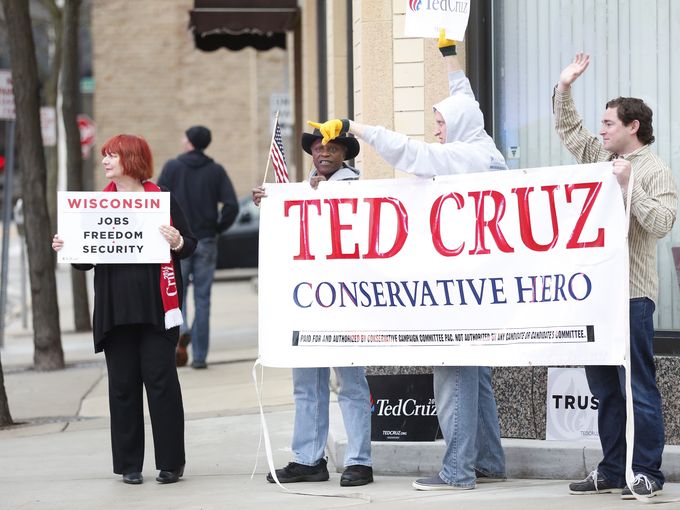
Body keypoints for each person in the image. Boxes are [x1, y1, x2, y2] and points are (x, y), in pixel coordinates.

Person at [309, 31, 507, 490]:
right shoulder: (481, 139)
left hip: (462, 285)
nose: (436, 127)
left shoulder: (465, 154)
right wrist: (448, 53)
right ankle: (489, 463)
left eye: (439, 122)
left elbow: (410, 152)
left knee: (453, 375)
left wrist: (355, 127)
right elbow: (465, 96)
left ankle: (457, 471)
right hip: (483, 282)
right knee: (476, 376)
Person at [554, 53, 677, 500]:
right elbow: (570, 131)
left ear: (633, 128)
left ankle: (646, 472)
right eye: (603, 123)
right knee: (604, 389)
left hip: (632, 296)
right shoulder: (598, 158)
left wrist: (630, 187)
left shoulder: (653, 169)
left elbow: (663, 223)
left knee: (638, 388)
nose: (601, 130)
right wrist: (564, 87)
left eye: (608, 123)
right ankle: (610, 469)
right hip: (596, 297)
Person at [52, 134, 197, 485]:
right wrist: (68, 247)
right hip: (115, 311)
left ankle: (170, 462)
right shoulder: (96, 205)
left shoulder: (161, 200)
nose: (105, 161)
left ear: (131, 159)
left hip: (157, 308)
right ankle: (129, 465)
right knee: (122, 386)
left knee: (161, 382)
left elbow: (189, 244)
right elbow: (85, 263)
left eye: (111, 155)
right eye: (104, 156)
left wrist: (176, 240)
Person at [252, 130, 374, 487]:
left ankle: (359, 461)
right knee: (306, 384)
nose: (324, 153)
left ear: (343, 154)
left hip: (346, 300)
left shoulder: (357, 187)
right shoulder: (301, 190)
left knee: (350, 382)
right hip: (305, 301)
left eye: (332, 148)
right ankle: (308, 459)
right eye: (319, 148)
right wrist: (272, 204)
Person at [157, 126, 238, 369]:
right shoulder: (216, 170)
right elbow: (232, 206)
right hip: (206, 240)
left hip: (178, 243)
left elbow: (157, 200)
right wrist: (217, 227)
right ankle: (200, 357)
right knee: (203, 299)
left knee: (176, 295)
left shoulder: (172, 167)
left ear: (190, 141)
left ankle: (179, 336)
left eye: (184, 136)